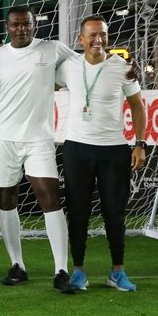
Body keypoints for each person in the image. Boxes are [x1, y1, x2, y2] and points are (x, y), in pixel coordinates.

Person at [0, 5, 78, 293]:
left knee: (50, 197)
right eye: (15, 24)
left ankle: (61, 270)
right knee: (7, 199)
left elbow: (84, 66)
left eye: (26, 24)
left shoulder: (52, 49)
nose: (21, 28)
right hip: (3, 137)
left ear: (34, 25)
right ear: (7, 27)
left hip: (39, 138)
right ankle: (17, 265)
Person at [57, 16, 146, 292]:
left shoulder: (123, 67)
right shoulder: (67, 66)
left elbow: (137, 106)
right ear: (81, 39)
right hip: (77, 148)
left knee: (114, 213)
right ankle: (78, 272)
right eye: (93, 35)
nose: (99, 40)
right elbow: (40, 77)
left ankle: (117, 272)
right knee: (77, 213)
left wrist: (140, 144)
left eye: (103, 34)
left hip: (114, 150)